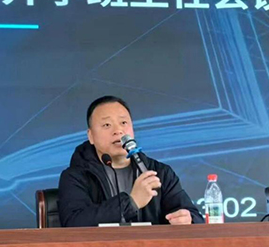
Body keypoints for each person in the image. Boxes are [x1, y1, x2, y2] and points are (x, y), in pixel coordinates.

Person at [58, 95, 204, 226]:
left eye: (123, 123)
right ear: (91, 136)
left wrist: (188, 219)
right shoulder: (75, 176)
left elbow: (195, 218)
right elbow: (74, 222)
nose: (118, 131)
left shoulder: (159, 172)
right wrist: (131, 203)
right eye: (107, 125)